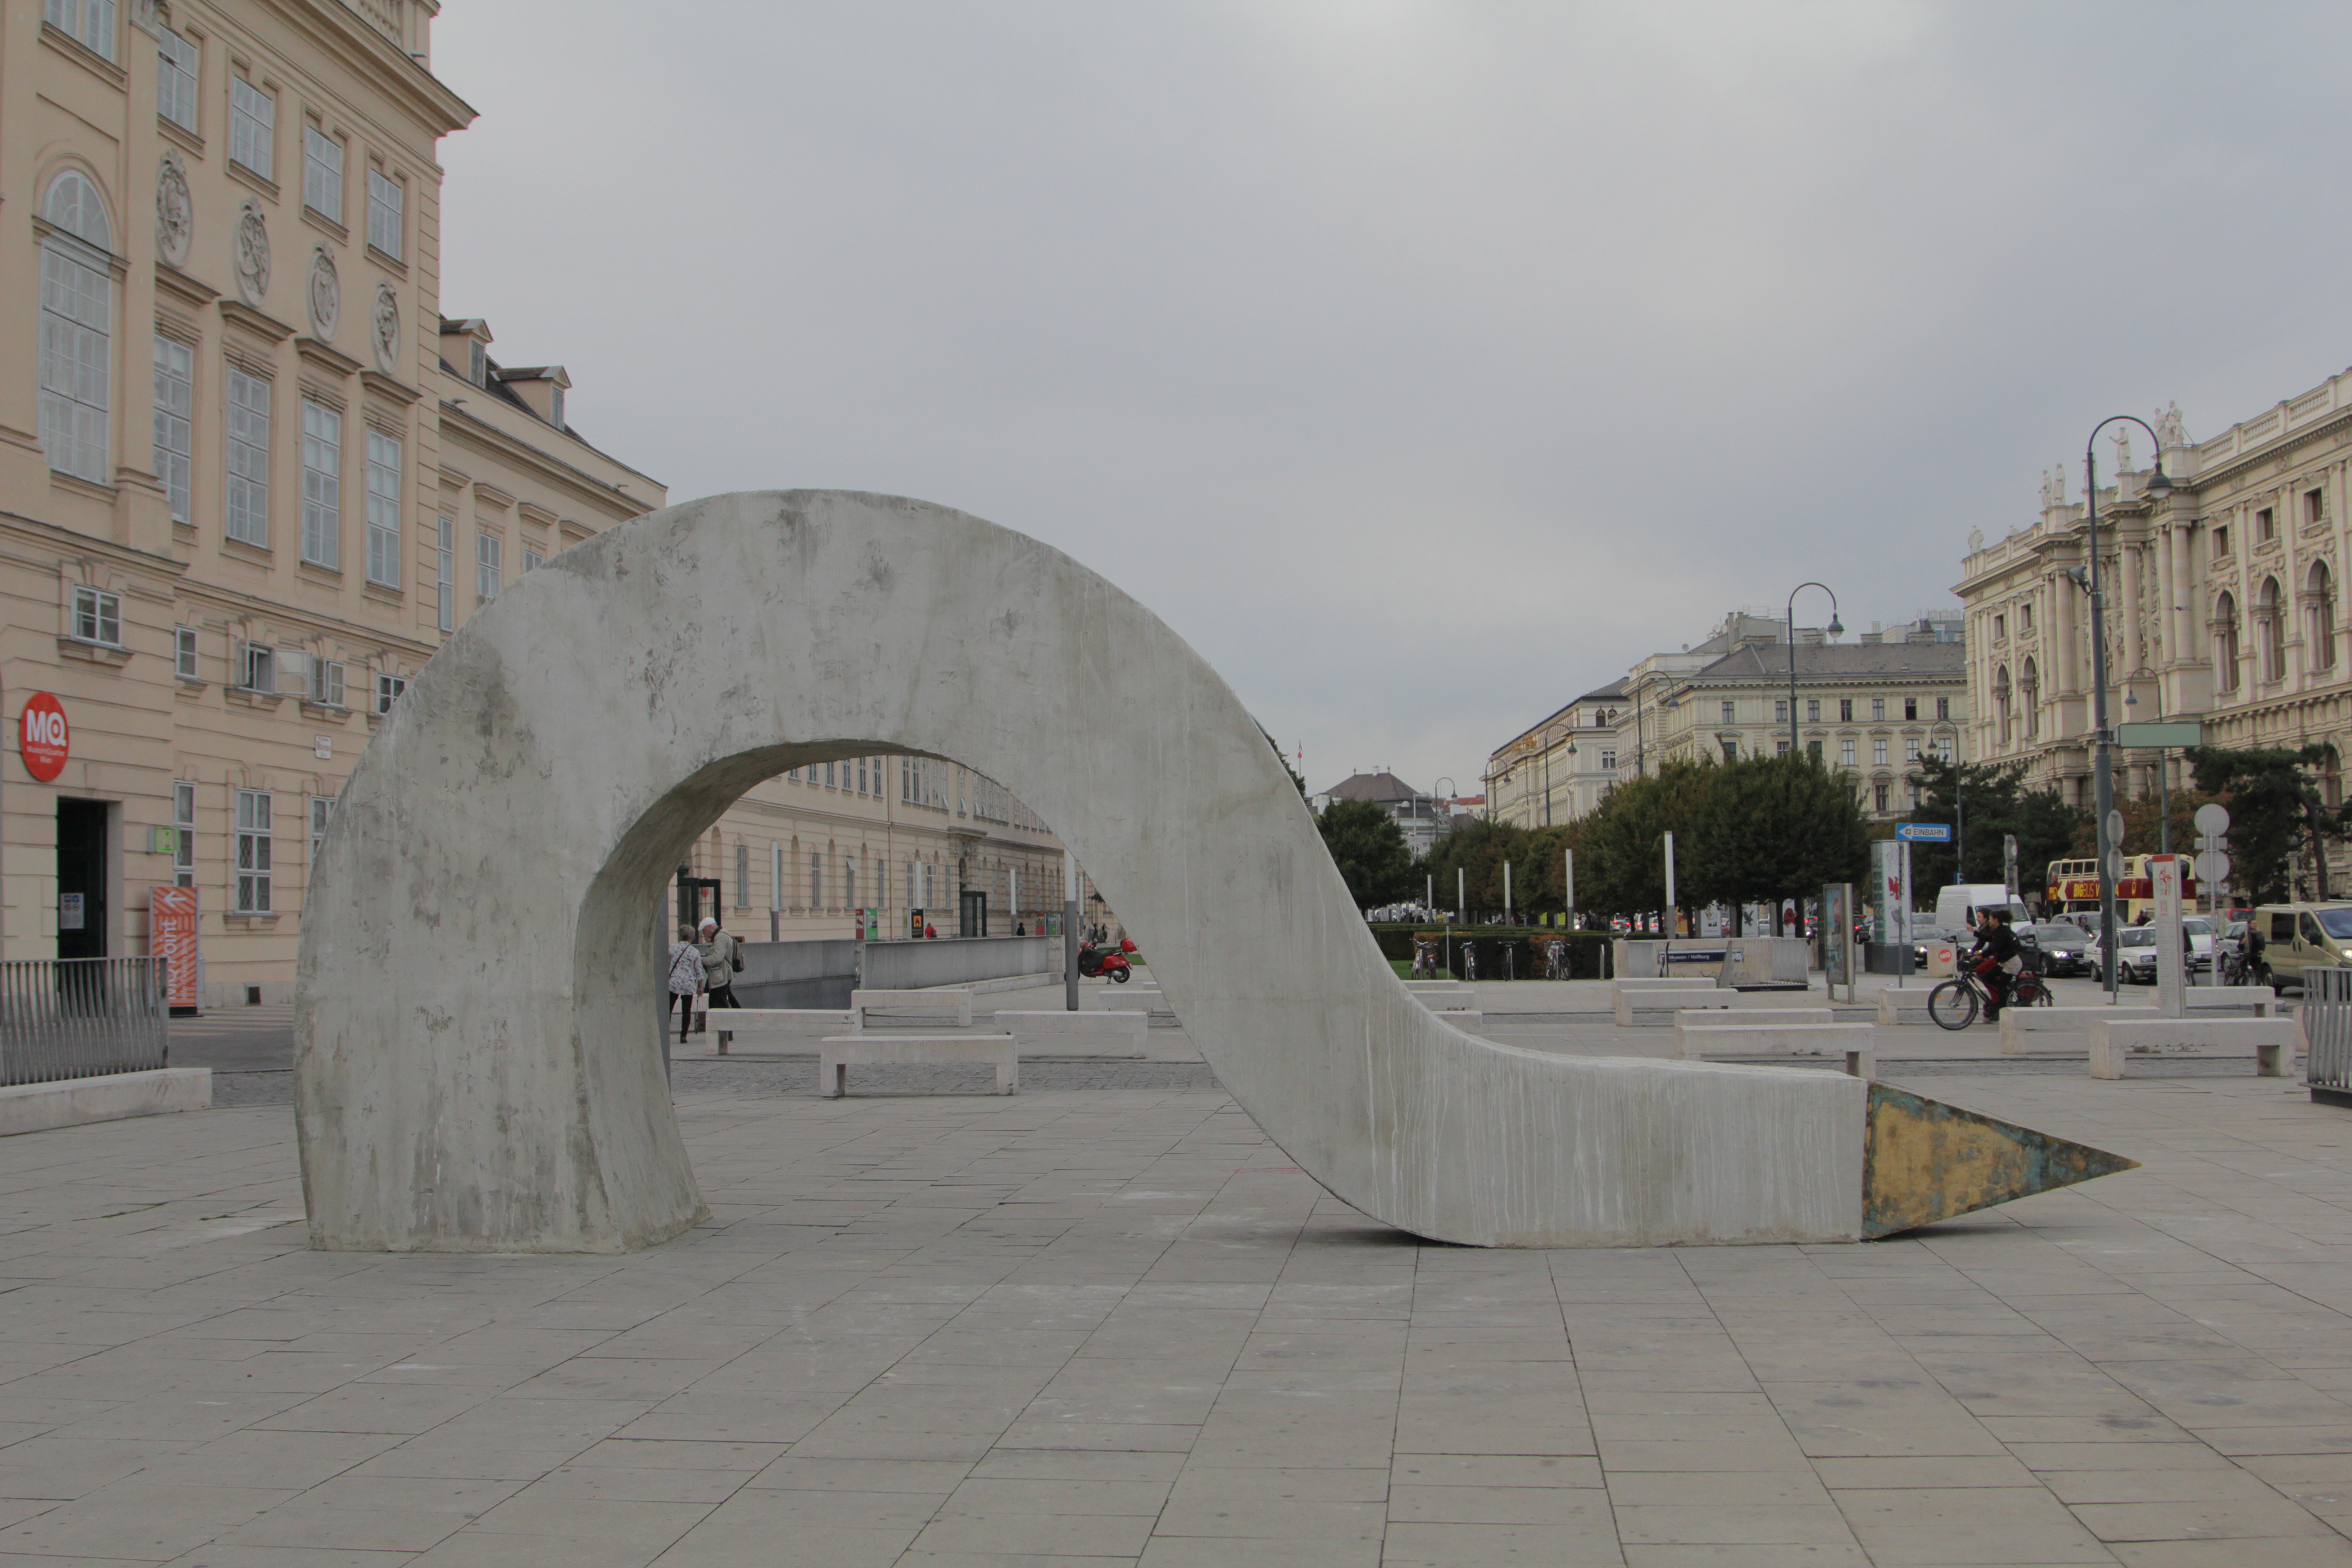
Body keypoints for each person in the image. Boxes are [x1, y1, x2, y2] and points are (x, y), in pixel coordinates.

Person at [1970, 907, 2022, 1020]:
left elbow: (1996, 946)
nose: (1989, 921)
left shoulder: (2003, 931)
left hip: (2011, 963)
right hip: (2004, 962)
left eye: (1990, 918)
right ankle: (2001, 994)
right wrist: (1975, 932)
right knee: (1988, 976)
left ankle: (2003, 1013)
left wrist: (1982, 955)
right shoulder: (1997, 930)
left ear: (1996, 920)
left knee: (2002, 987)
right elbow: (1989, 939)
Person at [698, 917, 741, 1022]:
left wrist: (701, 959)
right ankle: (733, 1023)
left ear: (709, 927)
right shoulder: (723, 934)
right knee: (723, 1001)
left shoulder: (720, 937)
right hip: (722, 975)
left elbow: (717, 958)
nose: (704, 934)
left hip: (720, 976)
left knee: (719, 1005)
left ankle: (725, 1032)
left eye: (704, 931)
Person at [665, 924, 702, 1045]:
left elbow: (667, 964)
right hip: (688, 984)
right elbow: (698, 971)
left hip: (673, 982)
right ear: (692, 937)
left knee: (668, 1009)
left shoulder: (672, 949)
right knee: (686, 1011)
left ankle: (665, 1033)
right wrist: (700, 986)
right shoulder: (694, 952)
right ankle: (683, 1036)